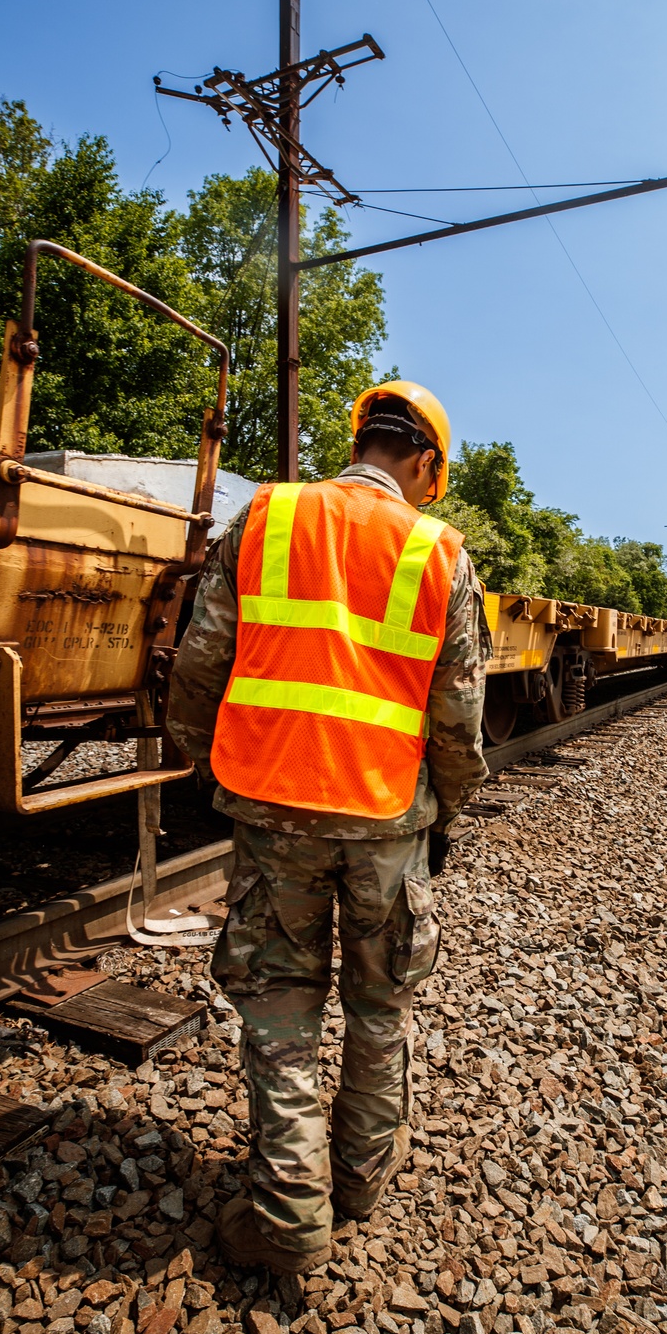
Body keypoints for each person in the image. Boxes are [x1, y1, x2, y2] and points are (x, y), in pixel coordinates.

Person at [167, 382, 491, 1276]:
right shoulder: (439, 550)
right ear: (425, 463)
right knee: (382, 1005)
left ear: (361, 440)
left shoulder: (268, 517)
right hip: (388, 818)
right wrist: (447, 811)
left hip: (272, 812)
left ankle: (288, 1217)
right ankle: (357, 1183)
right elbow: (459, 718)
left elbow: (201, 661)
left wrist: (208, 765)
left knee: (279, 1008)